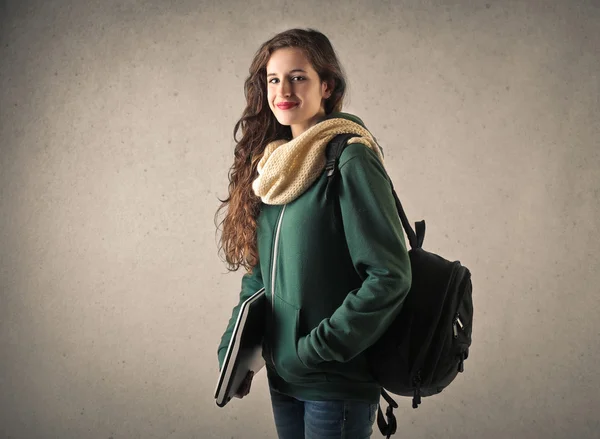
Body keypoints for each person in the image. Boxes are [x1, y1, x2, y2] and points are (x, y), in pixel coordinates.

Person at [215, 28, 412, 439]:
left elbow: (390, 275)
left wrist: (317, 350)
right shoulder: (272, 169)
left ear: (327, 85)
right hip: (282, 377)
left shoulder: (349, 158)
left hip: (333, 383)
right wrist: (237, 350)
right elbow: (260, 274)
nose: (283, 90)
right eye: (273, 79)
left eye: (298, 77)